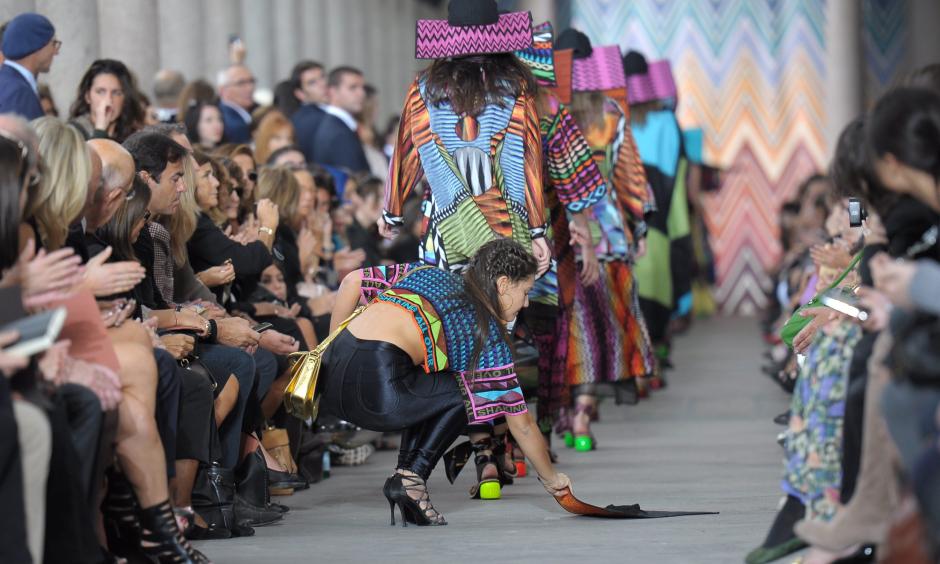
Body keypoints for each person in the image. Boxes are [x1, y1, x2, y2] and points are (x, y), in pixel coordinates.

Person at [323, 238, 571, 525]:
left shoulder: (424, 272)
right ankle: (412, 478)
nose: (526, 302)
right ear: (503, 284)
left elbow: (351, 282)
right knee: (464, 391)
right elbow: (523, 426)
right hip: (378, 390)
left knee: (429, 380)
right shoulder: (488, 333)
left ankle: (405, 479)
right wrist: (553, 480)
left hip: (334, 376)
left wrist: (328, 355)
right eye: (526, 291)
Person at [380, 0, 550, 275]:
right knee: (501, 302)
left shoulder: (425, 87)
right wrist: (536, 228)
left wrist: (392, 212)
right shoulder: (516, 87)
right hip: (505, 218)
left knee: (446, 305)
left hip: (445, 222)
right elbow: (528, 158)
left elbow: (408, 152)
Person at [550, 29, 656, 449]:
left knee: (561, 325)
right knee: (600, 324)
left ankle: (555, 410)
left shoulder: (545, 111)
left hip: (558, 229)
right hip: (607, 231)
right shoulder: (610, 112)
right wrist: (639, 225)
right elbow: (629, 173)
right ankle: (583, 411)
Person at [301, 66, 369, 173]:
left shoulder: (337, 126)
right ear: (332, 91)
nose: (361, 93)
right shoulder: (337, 132)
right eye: (353, 87)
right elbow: (355, 178)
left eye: (362, 87)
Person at [68, 59, 146, 142]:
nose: (109, 100)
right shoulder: (73, 133)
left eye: (116, 93)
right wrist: (100, 129)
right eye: (101, 92)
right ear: (88, 96)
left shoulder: (133, 135)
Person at [0, 12, 59, 120]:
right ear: (38, 45)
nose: (56, 52)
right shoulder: (18, 93)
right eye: (53, 43)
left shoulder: (8, 83)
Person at [217, 64, 256, 143]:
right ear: (222, 90)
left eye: (251, 81)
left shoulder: (253, 110)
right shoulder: (231, 124)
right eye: (241, 83)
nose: (250, 88)